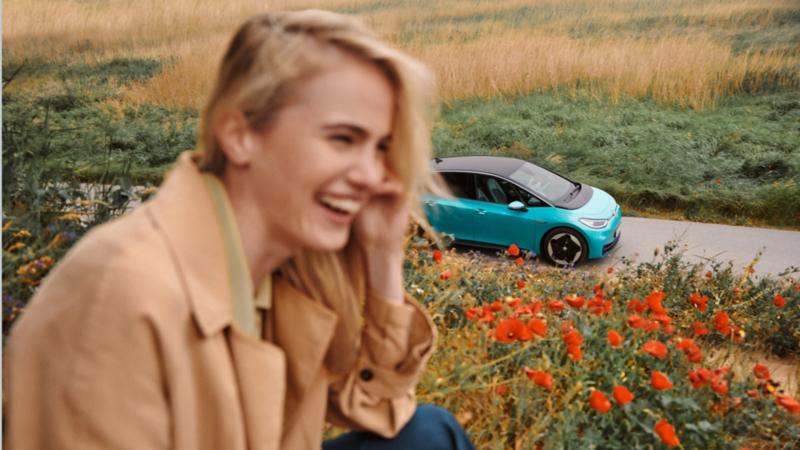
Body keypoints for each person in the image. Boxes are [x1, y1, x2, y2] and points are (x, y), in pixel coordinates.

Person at [4, 10, 475, 450]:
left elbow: (380, 409)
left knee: (430, 432)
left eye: (381, 148)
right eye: (342, 139)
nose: (373, 176)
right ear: (239, 134)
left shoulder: (285, 269)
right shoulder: (121, 298)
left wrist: (384, 254)